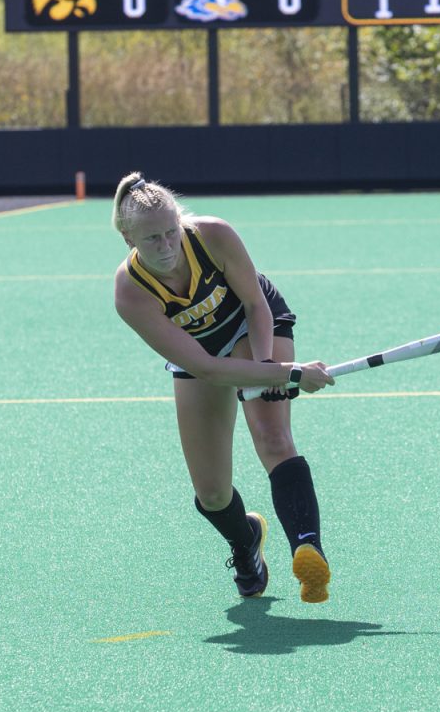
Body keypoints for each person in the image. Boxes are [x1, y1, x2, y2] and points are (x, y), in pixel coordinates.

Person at [112, 172, 336, 603]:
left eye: (171, 232)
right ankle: (245, 539)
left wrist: (270, 365)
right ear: (129, 240)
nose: (166, 247)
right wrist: (289, 375)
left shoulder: (213, 236)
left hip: (252, 325)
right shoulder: (130, 292)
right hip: (202, 355)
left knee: (272, 436)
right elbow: (208, 369)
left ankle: (309, 551)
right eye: (152, 239)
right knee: (212, 493)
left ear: (181, 223)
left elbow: (255, 304)